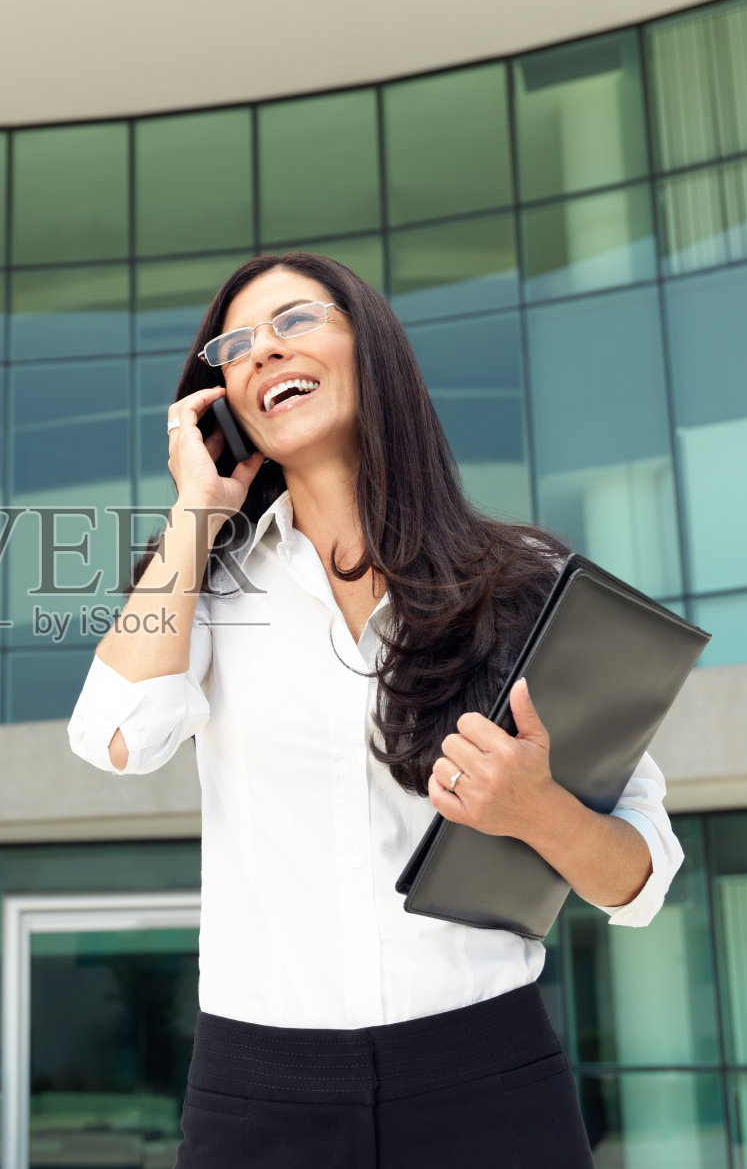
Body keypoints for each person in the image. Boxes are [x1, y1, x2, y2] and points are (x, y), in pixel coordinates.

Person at [65, 252, 685, 1168]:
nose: (263, 352)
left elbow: (638, 879)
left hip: (487, 1073)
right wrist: (198, 508)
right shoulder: (209, 582)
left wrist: (539, 811)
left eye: (294, 322)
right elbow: (115, 736)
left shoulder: (522, 585)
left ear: (372, 348)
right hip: (260, 1091)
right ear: (224, 405)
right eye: (234, 346)